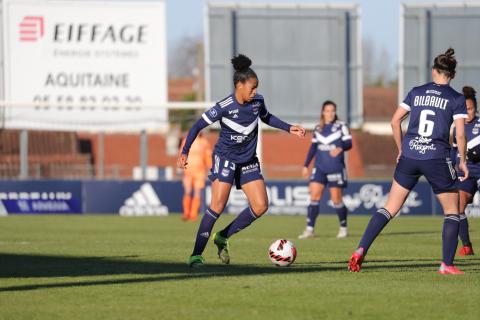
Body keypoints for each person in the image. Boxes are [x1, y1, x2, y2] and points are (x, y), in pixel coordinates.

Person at [348, 48, 468, 274]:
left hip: (410, 155)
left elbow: (395, 122)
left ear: (433, 71)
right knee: (453, 211)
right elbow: (460, 135)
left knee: (389, 207)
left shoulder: (416, 92)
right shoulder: (456, 98)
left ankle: (360, 249)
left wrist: (401, 149)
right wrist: (461, 160)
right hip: (436, 157)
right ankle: (447, 264)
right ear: (452, 74)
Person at [178, 54, 306, 267]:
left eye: (256, 87)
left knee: (261, 205)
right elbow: (196, 126)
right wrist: (184, 151)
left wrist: (288, 127)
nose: (255, 91)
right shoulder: (224, 106)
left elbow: (266, 117)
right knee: (217, 206)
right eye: (252, 87)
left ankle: (222, 236)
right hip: (226, 158)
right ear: (239, 85)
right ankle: (196, 255)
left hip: (247, 160)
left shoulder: (257, 101)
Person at [298, 100, 352, 239]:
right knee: (314, 197)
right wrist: (305, 166)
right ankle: (309, 230)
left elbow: (348, 143)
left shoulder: (342, 126)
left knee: (336, 200)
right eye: (327, 111)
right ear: (323, 112)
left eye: (332, 110)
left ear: (335, 112)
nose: (330, 113)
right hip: (319, 168)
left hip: (336, 168)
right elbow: (313, 148)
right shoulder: (318, 128)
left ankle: (343, 228)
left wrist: (341, 148)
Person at [452, 86, 477, 256]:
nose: (468, 113)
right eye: (465, 109)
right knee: (458, 205)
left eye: (471, 109)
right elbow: (454, 151)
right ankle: (467, 245)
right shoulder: (457, 128)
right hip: (466, 174)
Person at [179, 132, 212, 222]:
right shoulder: (186, 140)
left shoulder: (204, 142)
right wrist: (180, 164)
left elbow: (208, 156)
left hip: (200, 171)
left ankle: (193, 214)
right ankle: (186, 213)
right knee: (188, 191)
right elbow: (181, 153)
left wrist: (210, 167)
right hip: (187, 171)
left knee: (197, 192)